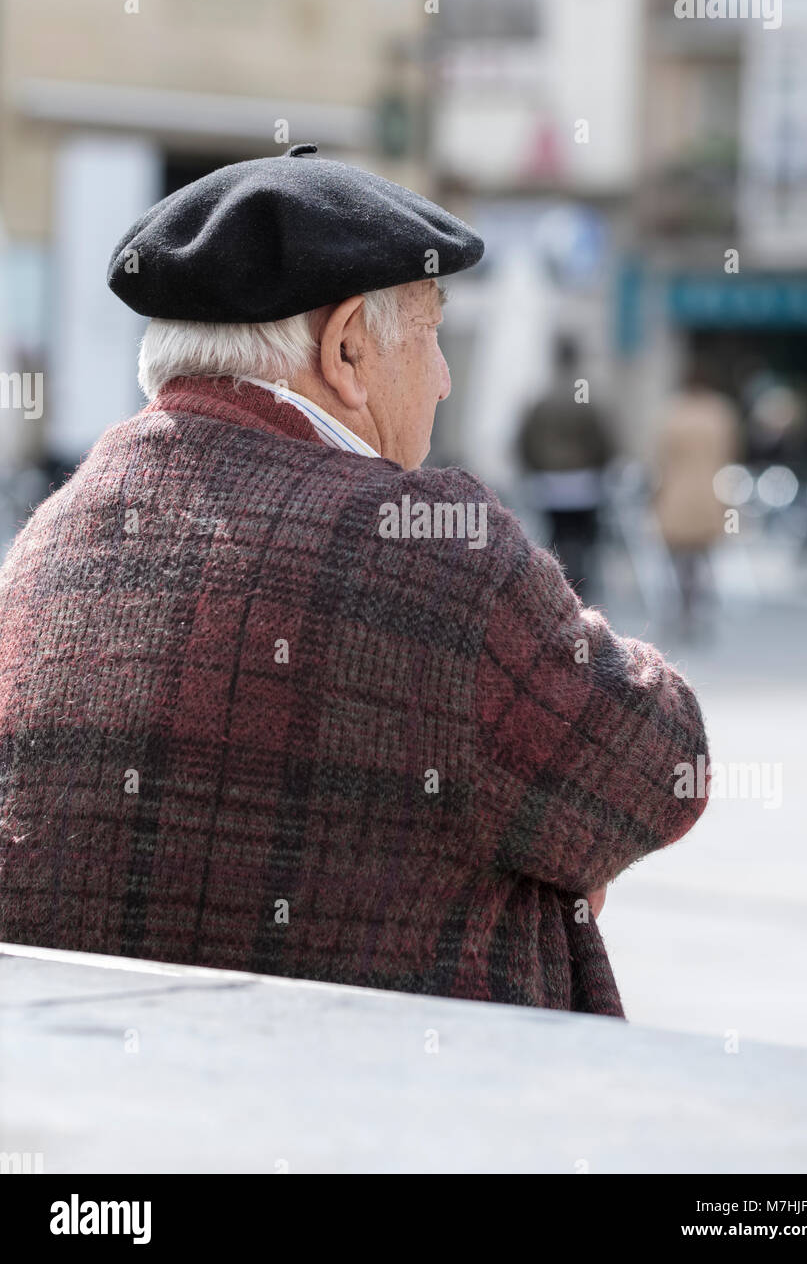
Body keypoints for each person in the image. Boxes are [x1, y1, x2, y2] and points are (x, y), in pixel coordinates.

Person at [0, 146, 709, 1019]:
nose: (445, 380)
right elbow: (665, 759)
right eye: (433, 332)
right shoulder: (433, 552)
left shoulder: (43, 545)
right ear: (344, 350)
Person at [517, 334, 613, 601]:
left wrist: (536, 468)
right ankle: (582, 591)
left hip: (549, 483)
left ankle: (559, 589)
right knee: (585, 540)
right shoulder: (586, 397)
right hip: (585, 484)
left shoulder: (542, 398)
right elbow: (604, 441)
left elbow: (525, 441)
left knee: (556, 539)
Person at [655, 364, 740, 637]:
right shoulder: (720, 413)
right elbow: (731, 453)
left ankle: (683, 609)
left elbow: (660, 457)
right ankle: (701, 608)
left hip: (677, 493)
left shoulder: (673, 413)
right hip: (709, 492)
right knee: (705, 556)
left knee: (678, 559)